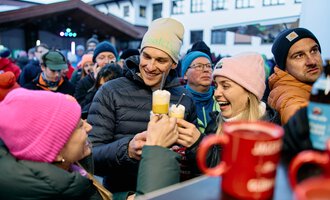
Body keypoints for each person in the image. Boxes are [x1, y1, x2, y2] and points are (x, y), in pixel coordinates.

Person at [87, 17, 198, 192]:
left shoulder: (185, 99)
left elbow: (195, 165)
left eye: (161, 60)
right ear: (140, 52)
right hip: (122, 193)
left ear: (174, 63)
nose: (150, 66)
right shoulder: (111, 91)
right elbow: (89, 156)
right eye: (146, 56)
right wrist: (127, 151)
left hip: (168, 192)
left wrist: (194, 146)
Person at [0, 88, 109, 200]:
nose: (89, 127)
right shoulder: (64, 190)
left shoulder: (72, 170)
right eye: (79, 126)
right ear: (55, 151)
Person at [183, 52, 280, 168]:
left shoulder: (270, 131)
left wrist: (199, 145)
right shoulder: (214, 124)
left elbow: (240, 170)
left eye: (225, 86)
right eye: (216, 86)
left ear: (249, 92)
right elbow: (203, 173)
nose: (216, 93)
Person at [268, 27, 323, 125]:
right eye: (298, 56)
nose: (312, 61)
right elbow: (301, 122)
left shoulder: (320, 85)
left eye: (314, 50)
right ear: (284, 67)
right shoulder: (288, 97)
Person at [181, 51, 220, 133]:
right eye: (199, 66)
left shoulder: (221, 97)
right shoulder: (178, 100)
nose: (206, 70)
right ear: (185, 74)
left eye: (209, 66)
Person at [74, 41, 118, 105]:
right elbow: (81, 106)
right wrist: (96, 84)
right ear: (95, 62)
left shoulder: (122, 79)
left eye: (110, 57)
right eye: (101, 58)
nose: (106, 61)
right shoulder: (83, 83)